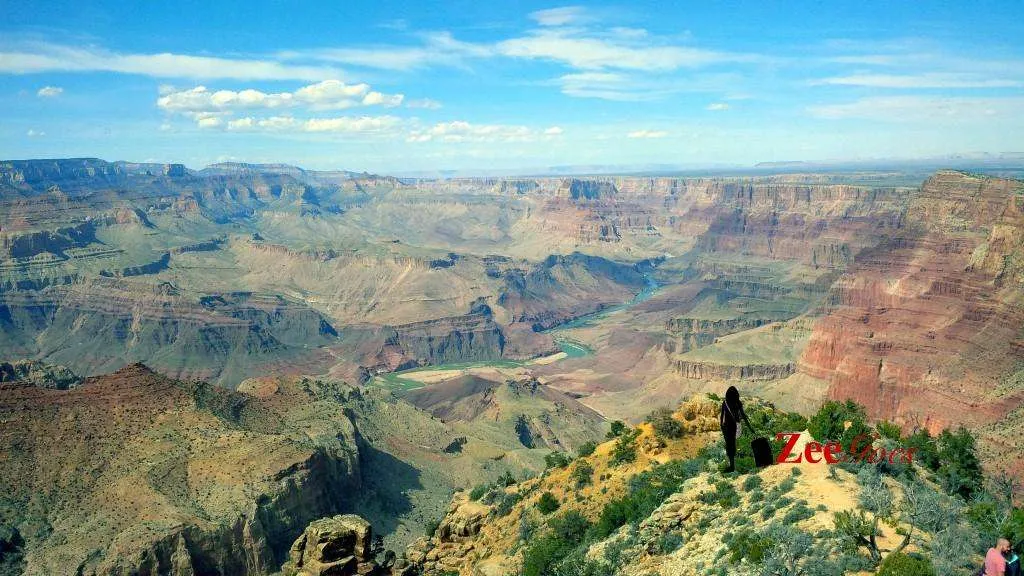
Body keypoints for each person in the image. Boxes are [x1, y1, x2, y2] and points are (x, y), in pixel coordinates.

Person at [719, 386, 752, 473]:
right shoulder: (737, 403)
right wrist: (750, 427)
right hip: (735, 426)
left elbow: (722, 417)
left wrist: (722, 427)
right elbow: (743, 415)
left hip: (727, 427)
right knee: (733, 445)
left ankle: (732, 466)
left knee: (729, 446)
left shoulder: (725, 402)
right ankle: (735, 465)